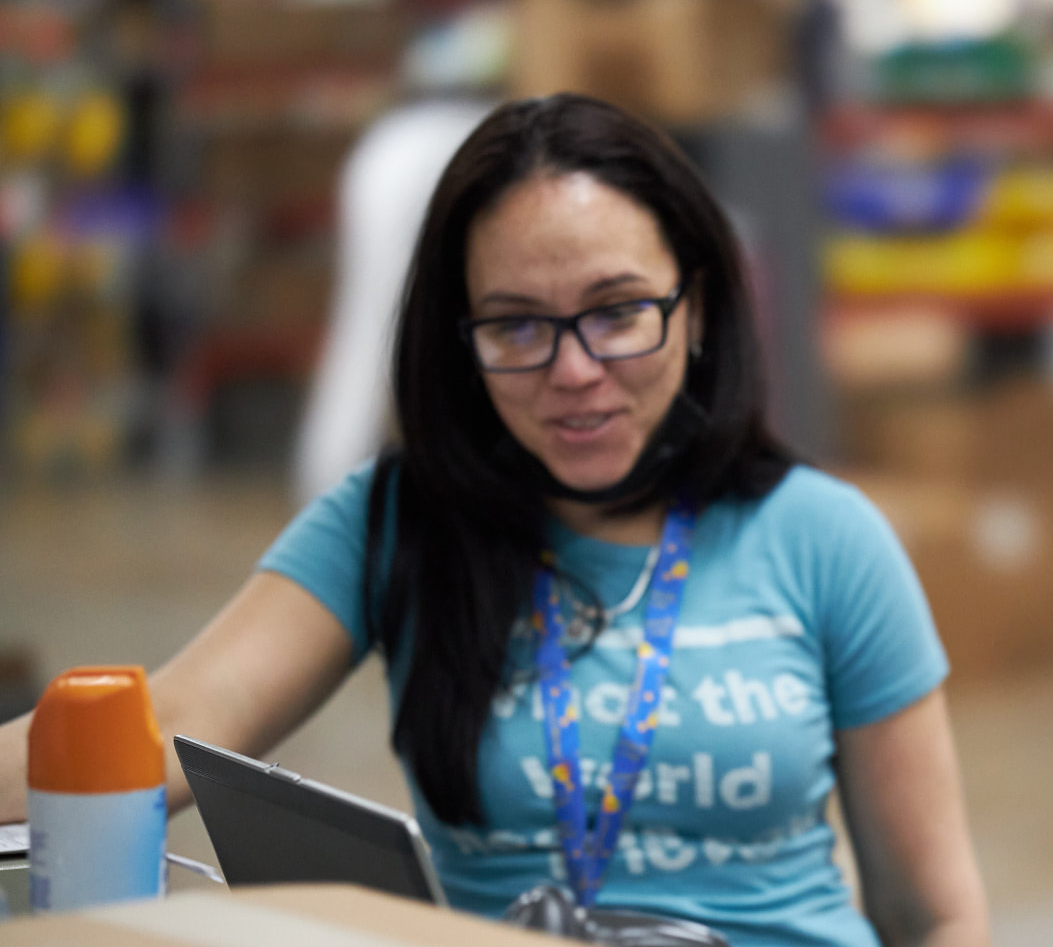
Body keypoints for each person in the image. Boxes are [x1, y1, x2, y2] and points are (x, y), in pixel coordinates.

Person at [0, 94, 990, 947]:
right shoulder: (395, 524)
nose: (573, 371)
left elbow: (932, 913)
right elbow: (167, 724)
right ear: (458, 339)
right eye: (516, 324)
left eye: (616, 311)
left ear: (693, 307)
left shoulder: (825, 537)